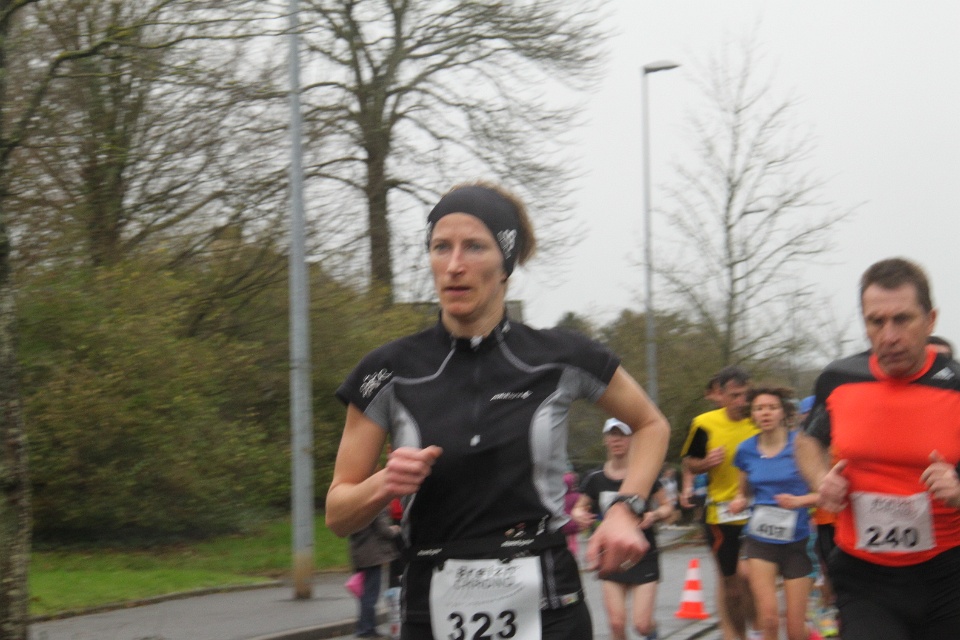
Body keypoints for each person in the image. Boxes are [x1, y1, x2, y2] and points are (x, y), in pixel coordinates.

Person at [325, 182, 671, 640]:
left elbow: (650, 424)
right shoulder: (387, 370)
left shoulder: (560, 357)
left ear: (506, 262)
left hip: (548, 606)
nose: (454, 265)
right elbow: (338, 513)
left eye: (474, 247)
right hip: (430, 608)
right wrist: (384, 482)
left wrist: (626, 508)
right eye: (441, 247)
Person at [795, 257, 960, 640]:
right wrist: (821, 479)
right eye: (876, 321)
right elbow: (808, 440)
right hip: (864, 579)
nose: (889, 336)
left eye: (902, 319)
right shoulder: (839, 379)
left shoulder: (955, 386)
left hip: (947, 577)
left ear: (930, 320)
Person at [572, 418, 675, 640]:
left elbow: (668, 507)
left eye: (622, 434)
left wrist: (654, 514)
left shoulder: (644, 474)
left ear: (632, 439)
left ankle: (653, 632)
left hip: (643, 554)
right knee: (616, 624)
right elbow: (578, 508)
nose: (616, 440)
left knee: (642, 625)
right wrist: (580, 515)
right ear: (605, 440)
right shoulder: (595, 478)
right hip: (611, 556)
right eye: (612, 434)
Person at [730, 386, 818, 640]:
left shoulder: (802, 444)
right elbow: (743, 493)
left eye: (771, 407)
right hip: (761, 540)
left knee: (795, 630)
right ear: (752, 415)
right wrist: (739, 501)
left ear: (783, 412)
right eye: (759, 408)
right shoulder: (745, 450)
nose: (765, 413)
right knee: (768, 619)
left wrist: (799, 501)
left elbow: (822, 493)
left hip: (798, 541)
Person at [680, 365, 759, 640]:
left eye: (745, 395)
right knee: (732, 587)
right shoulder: (704, 423)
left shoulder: (758, 420)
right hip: (721, 515)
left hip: (757, 510)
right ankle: (739, 634)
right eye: (735, 396)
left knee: (749, 576)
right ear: (721, 395)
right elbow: (690, 463)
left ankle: (760, 629)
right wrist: (705, 463)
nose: (742, 401)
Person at [350, 508, 402, 638]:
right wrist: (395, 530)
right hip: (372, 556)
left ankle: (364, 627)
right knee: (370, 595)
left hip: (358, 554)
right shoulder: (375, 507)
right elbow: (384, 530)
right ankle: (367, 629)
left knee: (365, 595)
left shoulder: (354, 507)